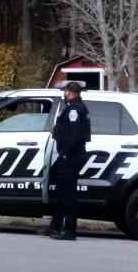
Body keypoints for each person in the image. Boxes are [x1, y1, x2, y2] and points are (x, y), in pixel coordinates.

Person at [42, 81, 91, 241]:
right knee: (61, 192)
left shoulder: (75, 110)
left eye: (65, 91)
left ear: (70, 92)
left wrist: (64, 152)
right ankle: (55, 227)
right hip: (72, 155)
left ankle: (69, 231)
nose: (64, 94)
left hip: (71, 156)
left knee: (68, 195)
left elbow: (75, 136)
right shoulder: (77, 107)